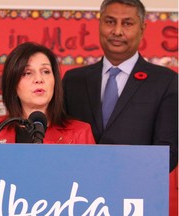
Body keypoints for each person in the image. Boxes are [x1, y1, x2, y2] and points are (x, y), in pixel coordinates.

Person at [62, 0, 178, 172]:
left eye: (127, 23)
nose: (117, 31)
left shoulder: (166, 81)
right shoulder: (73, 80)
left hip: (135, 190)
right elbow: (59, 138)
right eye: (110, 22)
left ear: (142, 28)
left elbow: (169, 151)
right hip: (78, 188)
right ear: (100, 23)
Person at [0, 42, 95, 144]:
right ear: (13, 84)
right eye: (28, 73)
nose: (39, 79)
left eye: (46, 71)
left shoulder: (79, 132)